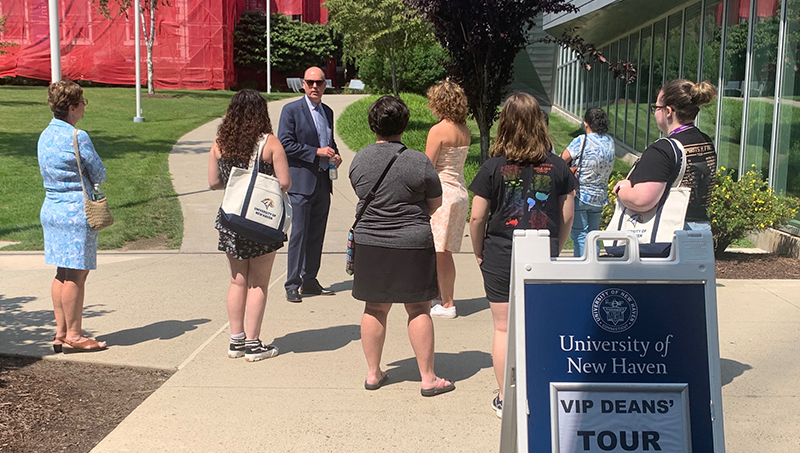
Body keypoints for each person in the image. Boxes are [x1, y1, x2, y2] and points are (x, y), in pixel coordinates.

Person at [469, 92, 576, 417]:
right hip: (543, 252)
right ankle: (540, 388)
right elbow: (568, 215)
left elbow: (477, 217)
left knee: (503, 328)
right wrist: (556, 247)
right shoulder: (559, 167)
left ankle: (506, 397)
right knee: (539, 326)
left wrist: (478, 252)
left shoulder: (492, 167)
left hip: (501, 253)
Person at [349, 96, 455, 397]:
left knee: (374, 307)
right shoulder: (417, 161)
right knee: (418, 307)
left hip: (370, 241)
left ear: (373, 125)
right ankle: (428, 378)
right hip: (412, 243)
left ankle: (373, 373)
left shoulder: (360, 159)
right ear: (404, 124)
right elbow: (435, 203)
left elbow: (359, 189)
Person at [208, 89, 291, 362]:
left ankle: (236, 341)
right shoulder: (270, 144)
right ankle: (254, 345)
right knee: (259, 283)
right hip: (261, 223)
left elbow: (214, 183)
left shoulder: (220, 143)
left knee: (237, 280)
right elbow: (285, 182)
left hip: (231, 220)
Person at [38, 80, 108, 353]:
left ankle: (61, 331)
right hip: (77, 212)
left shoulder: (44, 135)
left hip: (52, 209)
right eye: (82, 103)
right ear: (71, 107)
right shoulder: (77, 136)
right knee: (76, 275)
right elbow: (99, 173)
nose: (84, 108)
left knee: (61, 272)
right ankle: (75, 335)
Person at [613, 80, 717, 232]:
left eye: (656, 107)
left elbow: (642, 200)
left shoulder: (663, 149)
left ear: (668, 111)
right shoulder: (706, 142)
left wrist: (622, 188)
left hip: (670, 234)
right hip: (702, 228)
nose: (655, 112)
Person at [279, 66, 342, 303]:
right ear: (303, 85)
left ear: (325, 85)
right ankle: (292, 284)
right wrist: (316, 152)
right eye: (310, 82)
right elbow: (285, 144)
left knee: (317, 234)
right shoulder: (291, 110)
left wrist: (334, 154)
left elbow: (329, 141)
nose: (315, 86)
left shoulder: (328, 111)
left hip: (323, 182)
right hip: (301, 183)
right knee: (299, 234)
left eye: (320, 83)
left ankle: (310, 280)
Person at [425, 81, 471, 319]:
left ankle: (447, 303)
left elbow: (428, 167)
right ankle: (440, 296)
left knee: (440, 251)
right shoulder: (464, 129)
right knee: (444, 251)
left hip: (443, 193)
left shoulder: (438, 130)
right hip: (460, 192)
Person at [560, 108, 615, 257]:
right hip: (600, 196)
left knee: (580, 235)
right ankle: (594, 267)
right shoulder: (610, 142)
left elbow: (561, 160)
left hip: (581, 194)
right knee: (594, 234)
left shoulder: (582, 140)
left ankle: (582, 268)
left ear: (586, 124)